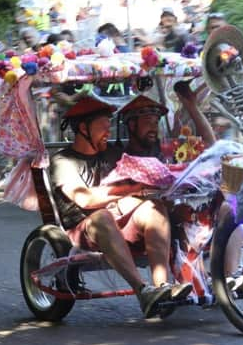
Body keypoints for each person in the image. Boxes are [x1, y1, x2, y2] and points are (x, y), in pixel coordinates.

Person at [48, 97, 192, 317]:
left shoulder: (114, 155)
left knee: (155, 208)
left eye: (109, 126)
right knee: (101, 216)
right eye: (102, 127)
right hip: (83, 230)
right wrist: (128, 190)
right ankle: (142, 290)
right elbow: (85, 200)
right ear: (83, 128)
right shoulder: (63, 161)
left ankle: (160, 289)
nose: (108, 132)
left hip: (119, 220)